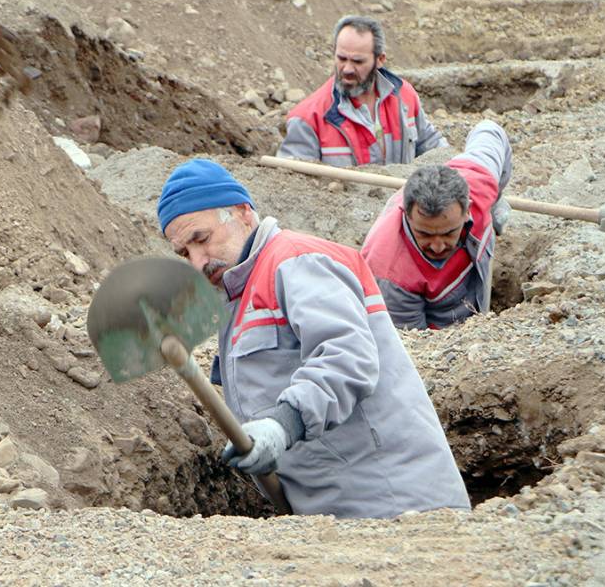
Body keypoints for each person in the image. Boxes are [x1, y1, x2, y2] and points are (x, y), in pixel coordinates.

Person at [157, 159, 470, 518]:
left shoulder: (297, 262)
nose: (198, 262)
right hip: (337, 511)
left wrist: (282, 424)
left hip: (394, 503)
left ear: (243, 213)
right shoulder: (240, 293)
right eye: (185, 253)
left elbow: (346, 358)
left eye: (202, 240)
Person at [361, 120, 513, 330]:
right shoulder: (391, 275)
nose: (438, 246)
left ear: (468, 209)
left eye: (449, 232)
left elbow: (489, 130)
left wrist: (495, 203)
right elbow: (414, 349)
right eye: (424, 234)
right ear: (405, 214)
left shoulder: (479, 187)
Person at [278, 15, 446, 167]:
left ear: (380, 60)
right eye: (342, 59)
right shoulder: (308, 119)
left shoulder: (404, 97)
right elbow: (294, 185)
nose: (348, 69)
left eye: (358, 61)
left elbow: (433, 147)